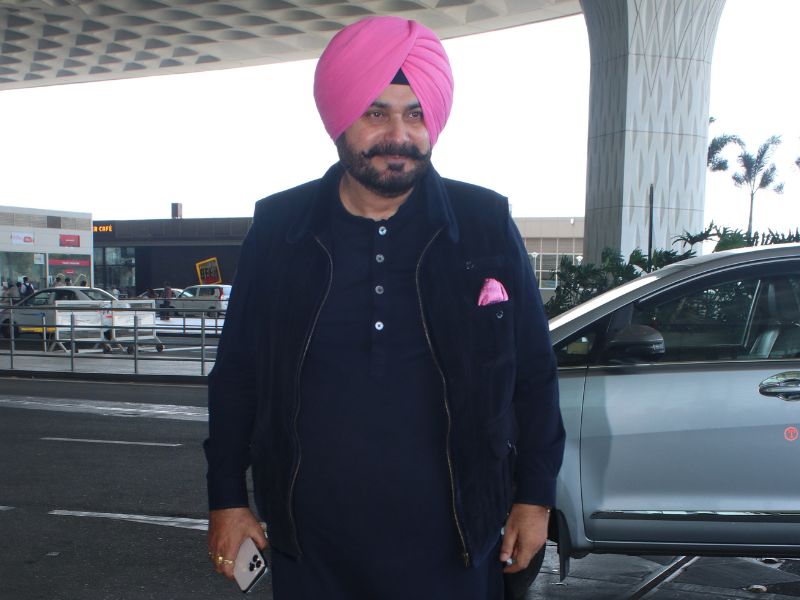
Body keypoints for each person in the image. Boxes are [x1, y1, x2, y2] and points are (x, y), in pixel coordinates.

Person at [204, 16, 564, 600]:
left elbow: (534, 373)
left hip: (455, 542)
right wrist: (226, 498)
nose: (399, 135)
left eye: (415, 114)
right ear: (340, 117)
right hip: (312, 548)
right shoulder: (280, 230)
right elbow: (237, 375)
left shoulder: (483, 224)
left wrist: (534, 498)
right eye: (376, 113)